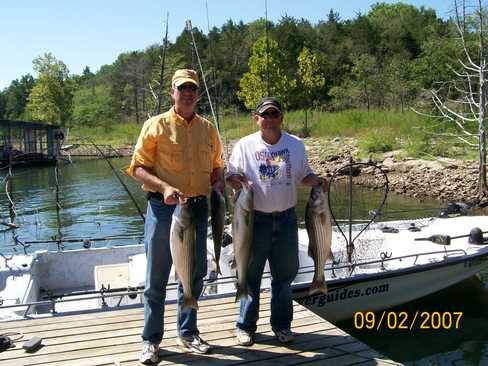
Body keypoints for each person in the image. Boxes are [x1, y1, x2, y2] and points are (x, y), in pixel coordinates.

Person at [127, 69, 224, 364]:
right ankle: (151, 341)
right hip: (164, 208)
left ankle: (188, 332)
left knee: (192, 277)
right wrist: (165, 186)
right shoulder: (154, 125)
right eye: (182, 88)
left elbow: (218, 165)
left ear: (197, 93)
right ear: (172, 92)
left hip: (198, 208)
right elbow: (138, 168)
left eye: (192, 88)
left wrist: (219, 180)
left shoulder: (208, 128)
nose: (188, 93)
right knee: (155, 278)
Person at [226, 96, 326, 346]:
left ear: (281, 117)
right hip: (253, 221)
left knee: (284, 278)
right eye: (265, 115)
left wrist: (316, 181)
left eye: (274, 114)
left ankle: (282, 326)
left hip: (286, 220)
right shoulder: (244, 145)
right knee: (250, 276)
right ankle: (245, 326)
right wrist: (236, 179)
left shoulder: (296, 145)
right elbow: (230, 176)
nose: (269, 119)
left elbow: (303, 176)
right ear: (256, 118)